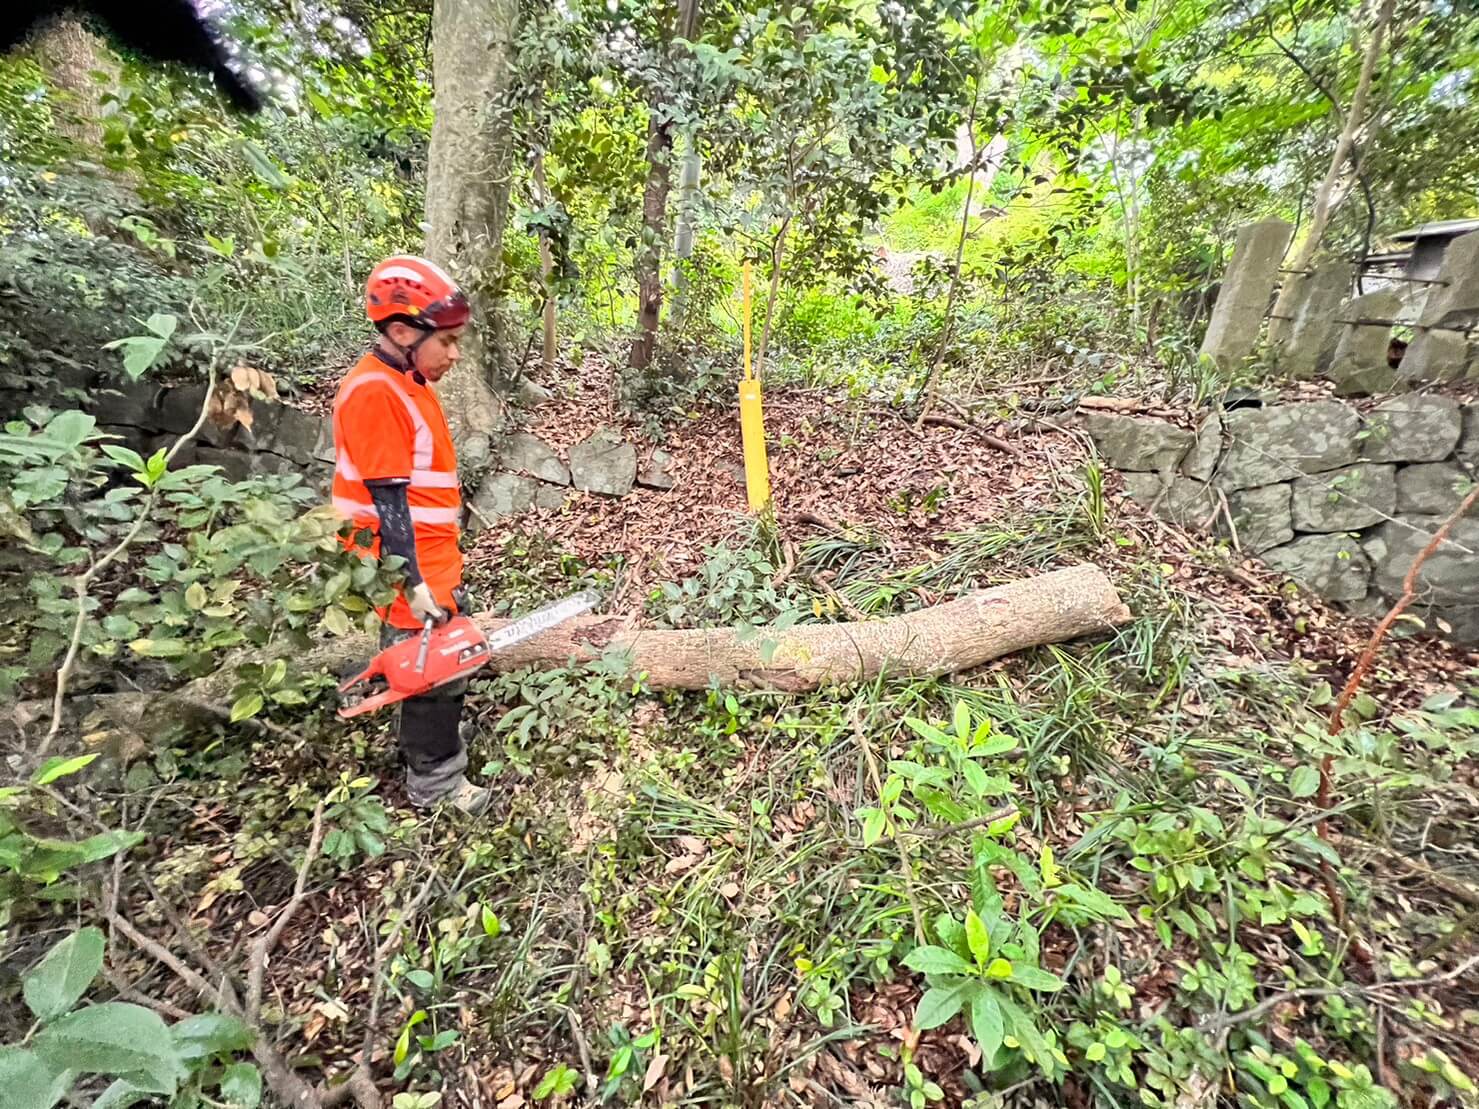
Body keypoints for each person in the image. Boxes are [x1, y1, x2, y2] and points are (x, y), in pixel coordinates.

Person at [330, 254, 491, 814]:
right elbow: (388, 499)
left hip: (431, 555)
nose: (453, 353)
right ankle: (436, 782)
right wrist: (413, 583)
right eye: (445, 341)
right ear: (402, 331)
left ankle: (434, 747)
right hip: (404, 562)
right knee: (430, 672)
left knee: (442, 663)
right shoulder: (376, 392)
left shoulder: (407, 380)